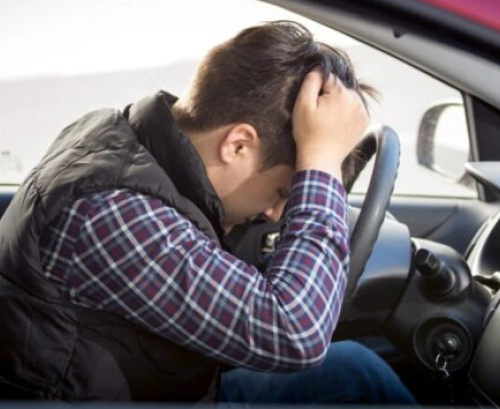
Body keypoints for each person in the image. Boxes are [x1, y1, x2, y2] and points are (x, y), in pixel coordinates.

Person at [0, 21, 415, 403]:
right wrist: (320, 163)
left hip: (167, 387)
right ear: (237, 145)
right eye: (282, 190)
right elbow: (296, 333)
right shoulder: (109, 211)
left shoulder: (125, 139)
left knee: (355, 371)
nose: (276, 214)